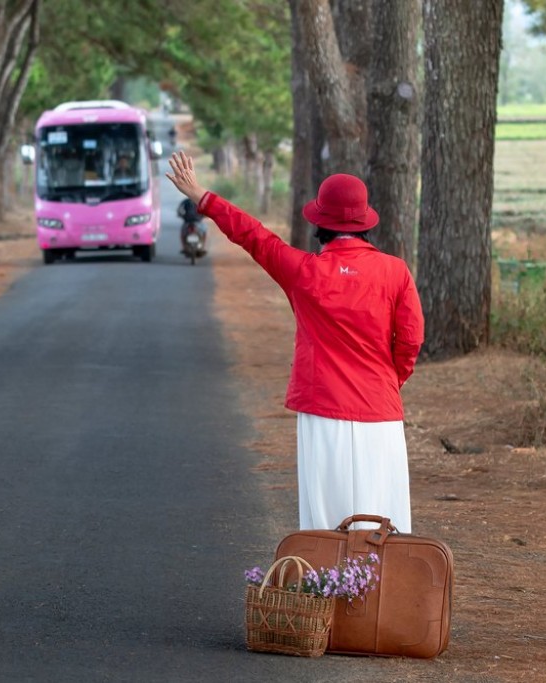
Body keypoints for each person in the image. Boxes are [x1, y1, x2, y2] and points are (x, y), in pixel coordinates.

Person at [166, 151, 424, 533]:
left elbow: (254, 236)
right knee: (386, 520)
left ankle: (326, 590)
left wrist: (203, 197)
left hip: (322, 409)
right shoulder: (395, 271)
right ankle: (386, 592)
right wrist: (388, 382)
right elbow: (411, 341)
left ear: (319, 223)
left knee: (325, 522)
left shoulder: (304, 272)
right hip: (380, 412)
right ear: (366, 222)